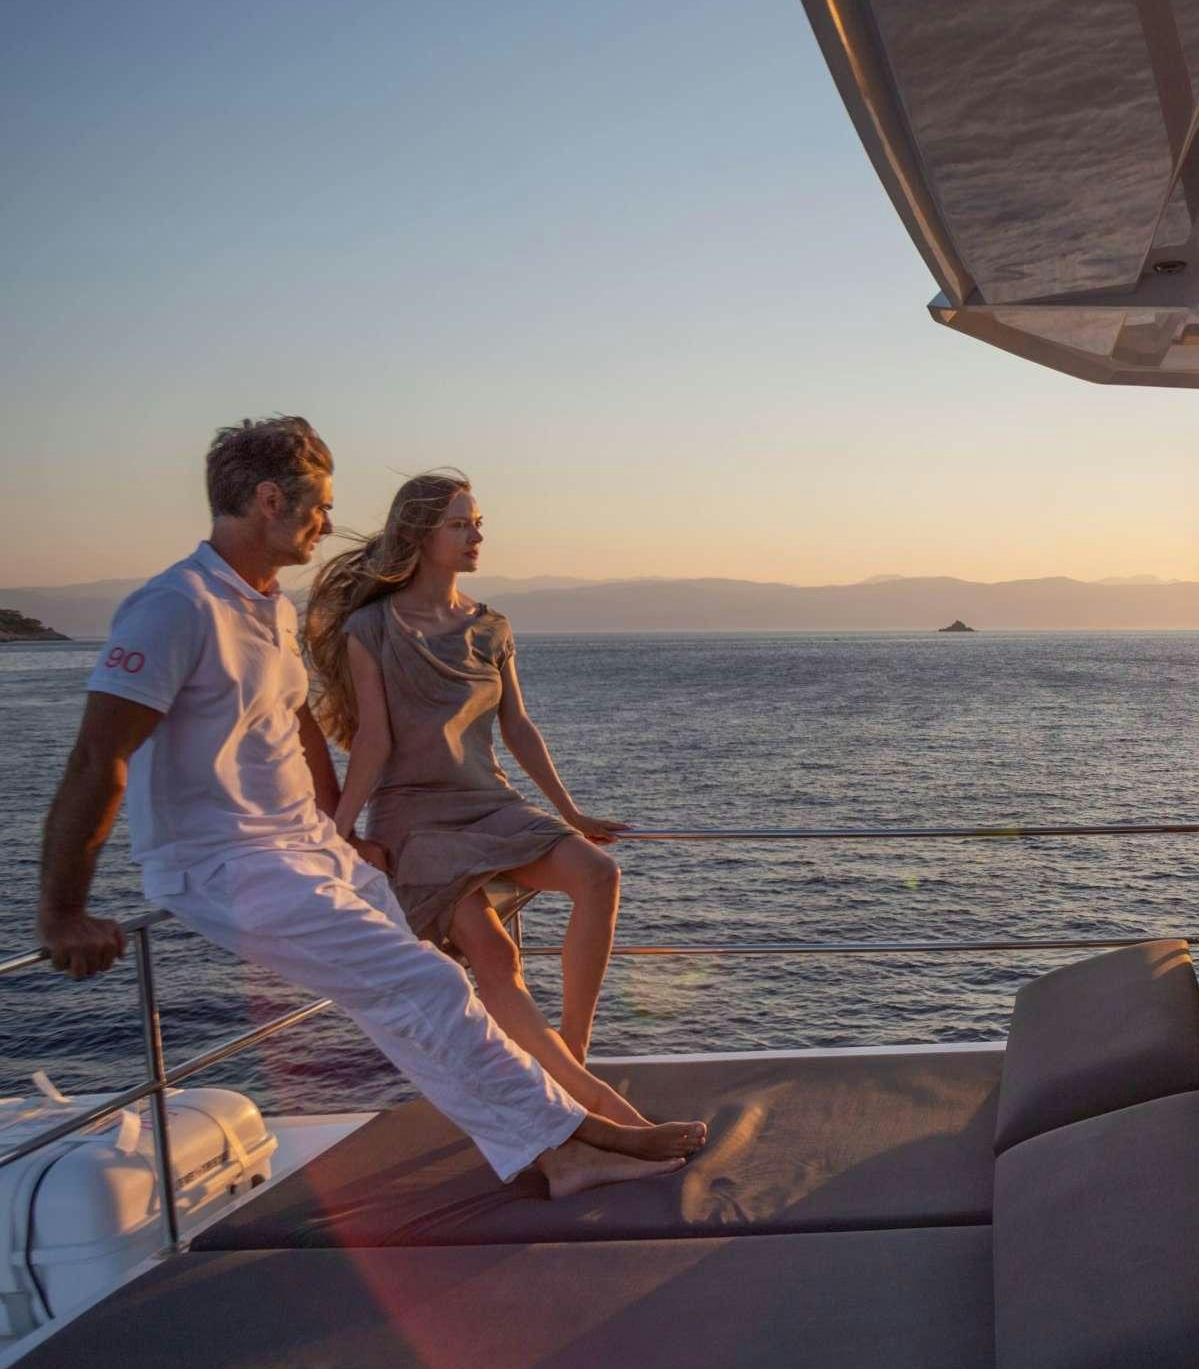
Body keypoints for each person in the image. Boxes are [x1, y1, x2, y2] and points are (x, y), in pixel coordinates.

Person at [34, 416, 706, 1198]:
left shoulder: (266, 606)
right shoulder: (175, 607)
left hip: (305, 849)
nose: (328, 522)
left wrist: (334, 829)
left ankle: (554, 1145)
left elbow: (296, 726)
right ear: (267, 500)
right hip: (225, 864)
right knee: (431, 984)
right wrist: (62, 911)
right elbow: (97, 756)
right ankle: (577, 1139)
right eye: (317, 504)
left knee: (406, 1003)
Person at [306, 471, 622, 1064]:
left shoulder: (491, 627)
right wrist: (340, 832)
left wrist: (569, 811)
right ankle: (558, 1092)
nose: (474, 536)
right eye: (458, 524)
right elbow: (372, 742)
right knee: (498, 958)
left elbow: (517, 727)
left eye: (477, 524)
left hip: (490, 804)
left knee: (599, 874)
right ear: (420, 534)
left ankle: (574, 1055)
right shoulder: (370, 628)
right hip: (417, 819)